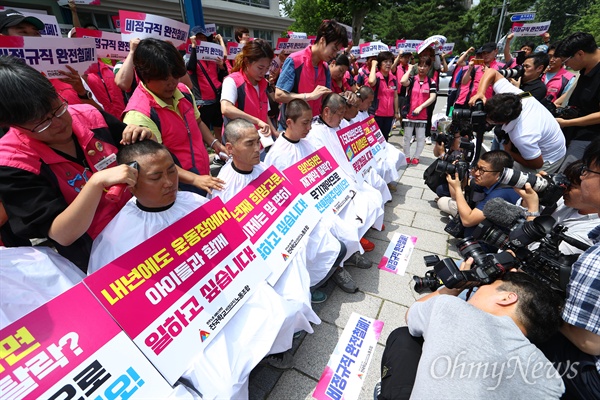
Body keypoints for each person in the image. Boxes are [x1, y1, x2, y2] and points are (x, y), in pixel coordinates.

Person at [89, 139, 314, 398]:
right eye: (156, 177)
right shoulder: (117, 237)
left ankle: (266, 354)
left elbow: (234, 248)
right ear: (132, 183)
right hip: (183, 323)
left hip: (225, 292)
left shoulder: (194, 202)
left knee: (281, 311)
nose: (169, 182)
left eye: (171, 170)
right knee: (223, 384)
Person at [0, 56, 152, 272]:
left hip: (148, 229)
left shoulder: (90, 116)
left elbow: (139, 154)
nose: (58, 123)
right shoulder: (13, 163)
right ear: (11, 124)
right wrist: (95, 183)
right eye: (41, 122)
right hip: (98, 258)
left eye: (57, 108)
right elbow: (62, 234)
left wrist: (145, 139)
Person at [378, 269, 565, 400]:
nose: (479, 288)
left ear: (506, 297)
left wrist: (453, 288)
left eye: (487, 284)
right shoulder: (551, 380)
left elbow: (411, 315)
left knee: (404, 336)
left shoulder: (450, 308)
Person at [265, 100, 374, 296]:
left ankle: (348, 256)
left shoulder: (308, 143)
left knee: (357, 208)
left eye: (310, 122)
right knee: (330, 238)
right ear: (289, 122)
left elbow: (324, 169)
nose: (309, 128)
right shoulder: (278, 154)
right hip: (303, 212)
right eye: (304, 123)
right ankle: (332, 270)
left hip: (323, 200)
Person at [122, 38, 226, 195]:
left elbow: (197, 123)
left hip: (201, 174)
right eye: (164, 78)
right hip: (176, 186)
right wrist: (194, 179)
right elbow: (156, 163)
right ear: (144, 75)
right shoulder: (139, 115)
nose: (172, 83)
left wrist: (216, 144)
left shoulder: (183, 91)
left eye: (175, 76)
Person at [537, 138, 600, 400]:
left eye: (588, 170)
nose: (583, 177)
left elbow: (589, 343)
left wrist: (542, 303)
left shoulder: (594, 258)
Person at [306, 93, 386, 253]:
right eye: (340, 114)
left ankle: (368, 224)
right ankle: (355, 238)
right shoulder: (315, 132)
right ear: (327, 112)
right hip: (334, 179)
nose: (343, 119)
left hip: (349, 170)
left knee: (373, 193)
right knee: (351, 204)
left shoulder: (339, 125)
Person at [0, 9, 103, 111]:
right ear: (3, 38)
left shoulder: (66, 73)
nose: (32, 37)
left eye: (36, 33)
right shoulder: (5, 83)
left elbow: (100, 112)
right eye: (23, 32)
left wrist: (82, 93)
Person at [469, 67, 566, 173]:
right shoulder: (517, 97)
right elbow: (492, 72)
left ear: (501, 122)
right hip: (547, 137)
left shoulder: (522, 135)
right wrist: (480, 93)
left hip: (549, 158)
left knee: (506, 178)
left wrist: (509, 152)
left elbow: (537, 163)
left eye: (490, 120)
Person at [274, 19, 348, 129]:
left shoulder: (325, 67)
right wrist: (309, 96)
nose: (334, 55)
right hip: (290, 129)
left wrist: (343, 97)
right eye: (333, 49)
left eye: (337, 52)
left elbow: (325, 97)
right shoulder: (295, 61)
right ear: (322, 40)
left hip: (313, 127)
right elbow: (279, 95)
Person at [516, 160, 598, 255]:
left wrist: (532, 212)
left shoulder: (591, 233)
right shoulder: (565, 200)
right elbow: (517, 216)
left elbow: (538, 254)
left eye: (571, 186)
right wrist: (538, 191)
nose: (565, 189)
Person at [437, 150, 520, 237]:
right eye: (477, 168)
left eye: (482, 171)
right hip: (483, 216)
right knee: (443, 201)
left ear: (499, 175)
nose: (476, 173)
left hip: (505, 235)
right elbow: (455, 196)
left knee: (470, 232)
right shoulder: (487, 182)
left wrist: (457, 188)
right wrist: (457, 175)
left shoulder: (500, 193)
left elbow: (467, 221)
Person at [554, 32, 600, 165]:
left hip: (589, 139)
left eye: (566, 61)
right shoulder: (586, 69)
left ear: (580, 54)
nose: (566, 66)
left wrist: (567, 123)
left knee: (567, 177)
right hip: (572, 133)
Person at [220, 39, 277, 139]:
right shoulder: (232, 81)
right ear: (247, 62)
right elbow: (226, 108)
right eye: (260, 68)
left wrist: (274, 132)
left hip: (260, 142)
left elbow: (264, 115)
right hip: (239, 145)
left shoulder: (263, 84)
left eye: (267, 68)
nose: (263, 72)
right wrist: (257, 121)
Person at [187, 27, 228, 141]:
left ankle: (221, 153)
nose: (202, 40)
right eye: (199, 37)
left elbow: (220, 77)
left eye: (204, 38)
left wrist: (221, 67)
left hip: (216, 100)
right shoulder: (190, 56)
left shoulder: (213, 58)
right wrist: (194, 47)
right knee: (202, 132)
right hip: (202, 102)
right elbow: (190, 68)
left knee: (218, 128)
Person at [401, 57, 437, 165]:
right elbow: (402, 81)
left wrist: (421, 107)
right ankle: (406, 156)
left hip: (422, 115)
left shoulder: (431, 82)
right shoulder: (412, 79)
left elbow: (432, 97)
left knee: (421, 137)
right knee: (407, 137)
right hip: (409, 114)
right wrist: (409, 70)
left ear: (429, 67)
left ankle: (416, 156)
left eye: (425, 66)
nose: (422, 68)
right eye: (420, 65)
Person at [454, 42, 504, 109]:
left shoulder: (501, 67)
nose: (486, 55)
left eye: (488, 53)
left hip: (491, 104)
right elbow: (464, 82)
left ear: (495, 51)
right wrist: (469, 69)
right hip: (474, 102)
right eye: (484, 53)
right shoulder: (476, 66)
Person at [368, 51, 400, 141]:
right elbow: (371, 82)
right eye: (385, 62)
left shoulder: (393, 78)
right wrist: (374, 65)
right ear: (380, 63)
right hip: (376, 115)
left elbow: (395, 96)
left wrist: (396, 112)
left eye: (390, 61)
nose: (388, 64)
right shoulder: (376, 77)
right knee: (375, 140)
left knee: (384, 139)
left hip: (389, 115)